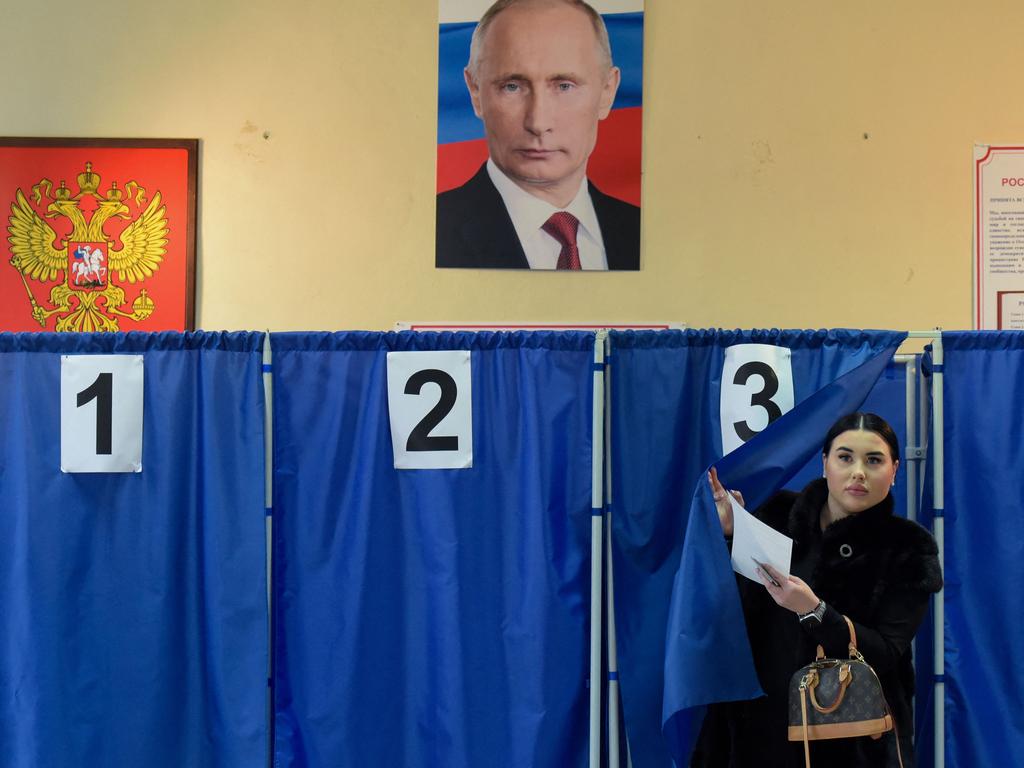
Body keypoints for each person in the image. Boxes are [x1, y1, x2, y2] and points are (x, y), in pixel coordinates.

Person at [692, 412, 943, 768]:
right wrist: (730, 534)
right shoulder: (775, 516)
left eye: (874, 460)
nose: (858, 472)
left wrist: (815, 611)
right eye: (845, 457)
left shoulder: (909, 549)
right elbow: (727, 613)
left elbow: (886, 651)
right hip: (756, 730)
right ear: (825, 463)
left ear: (894, 469)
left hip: (851, 740)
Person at [435, 0, 640, 270]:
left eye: (564, 86)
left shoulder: (646, 232)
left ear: (607, 92)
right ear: (475, 92)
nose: (538, 122)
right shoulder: (430, 229)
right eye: (512, 86)